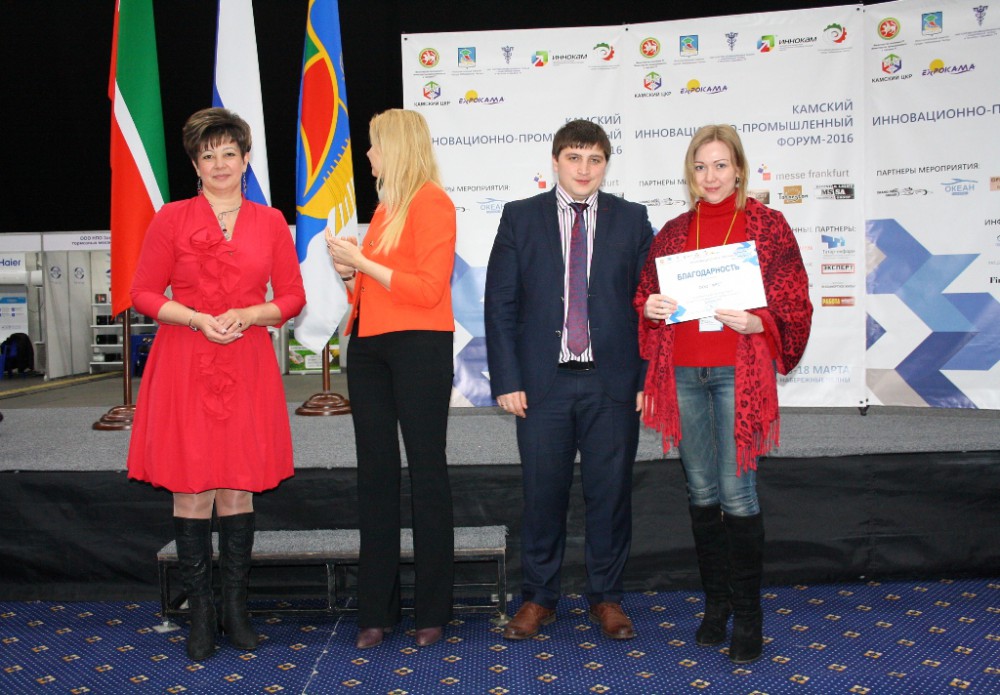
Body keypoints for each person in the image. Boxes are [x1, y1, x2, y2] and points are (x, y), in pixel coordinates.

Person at [127, 107, 305, 661]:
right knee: (192, 486)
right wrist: (195, 319)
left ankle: (236, 610)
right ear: (195, 165)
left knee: (238, 484)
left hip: (246, 362)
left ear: (246, 159)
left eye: (230, 153)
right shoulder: (171, 219)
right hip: (185, 361)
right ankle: (200, 615)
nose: (220, 164)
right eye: (209, 155)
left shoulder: (270, 221)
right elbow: (142, 293)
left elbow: (293, 296)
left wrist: (251, 314)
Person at [634, 124, 812, 663]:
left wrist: (759, 322)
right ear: (689, 173)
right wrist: (650, 309)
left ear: (738, 169)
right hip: (684, 374)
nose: (710, 177)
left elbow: (794, 301)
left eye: (719, 165)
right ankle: (717, 605)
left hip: (738, 373)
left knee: (737, 494)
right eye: (700, 167)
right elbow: (645, 295)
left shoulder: (767, 226)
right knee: (701, 492)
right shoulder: (673, 232)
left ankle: (749, 614)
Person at [485, 120, 652, 641]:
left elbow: (648, 304)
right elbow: (500, 304)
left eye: (595, 159)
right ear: (555, 161)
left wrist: (647, 377)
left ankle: (607, 597)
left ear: (606, 165)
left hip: (613, 385)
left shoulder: (632, 219)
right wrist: (507, 378)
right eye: (574, 157)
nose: (584, 169)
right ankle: (538, 598)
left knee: (611, 497)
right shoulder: (520, 217)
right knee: (542, 497)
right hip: (542, 386)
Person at [327, 109, 457, 650]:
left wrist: (361, 261)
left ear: (397, 148)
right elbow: (379, 287)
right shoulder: (385, 207)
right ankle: (375, 610)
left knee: (427, 473)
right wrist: (350, 273)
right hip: (369, 347)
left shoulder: (432, 202)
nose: (368, 155)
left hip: (420, 347)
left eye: (375, 145)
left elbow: (427, 289)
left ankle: (432, 610)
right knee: (375, 475)